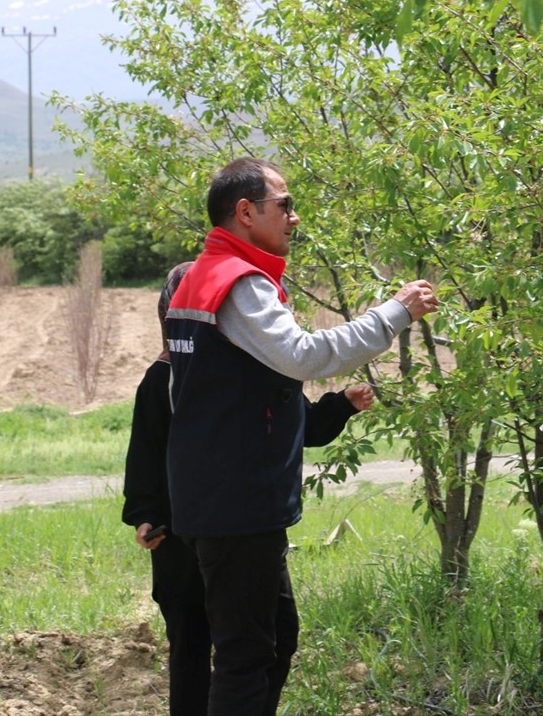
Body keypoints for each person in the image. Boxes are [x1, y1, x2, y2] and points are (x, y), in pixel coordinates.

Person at [164, 157, 439, 716]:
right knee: (246, 657)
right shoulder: (239, 283)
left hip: (226, 499)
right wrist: (393, 314)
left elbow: (207, 394)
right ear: (246, 213)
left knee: (276, 640)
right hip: (236, 505)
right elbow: (303, 356)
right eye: (284, 205)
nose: (294, 217)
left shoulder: (202, 274)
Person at [122, 261, 377, 716]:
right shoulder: (161, 379)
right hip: (178, 536)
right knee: (192, 644)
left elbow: (300, 427)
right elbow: (146, 453)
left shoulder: (257, 369)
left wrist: (340, 407)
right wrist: (145, 512)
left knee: (272, 639)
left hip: (240, 525)